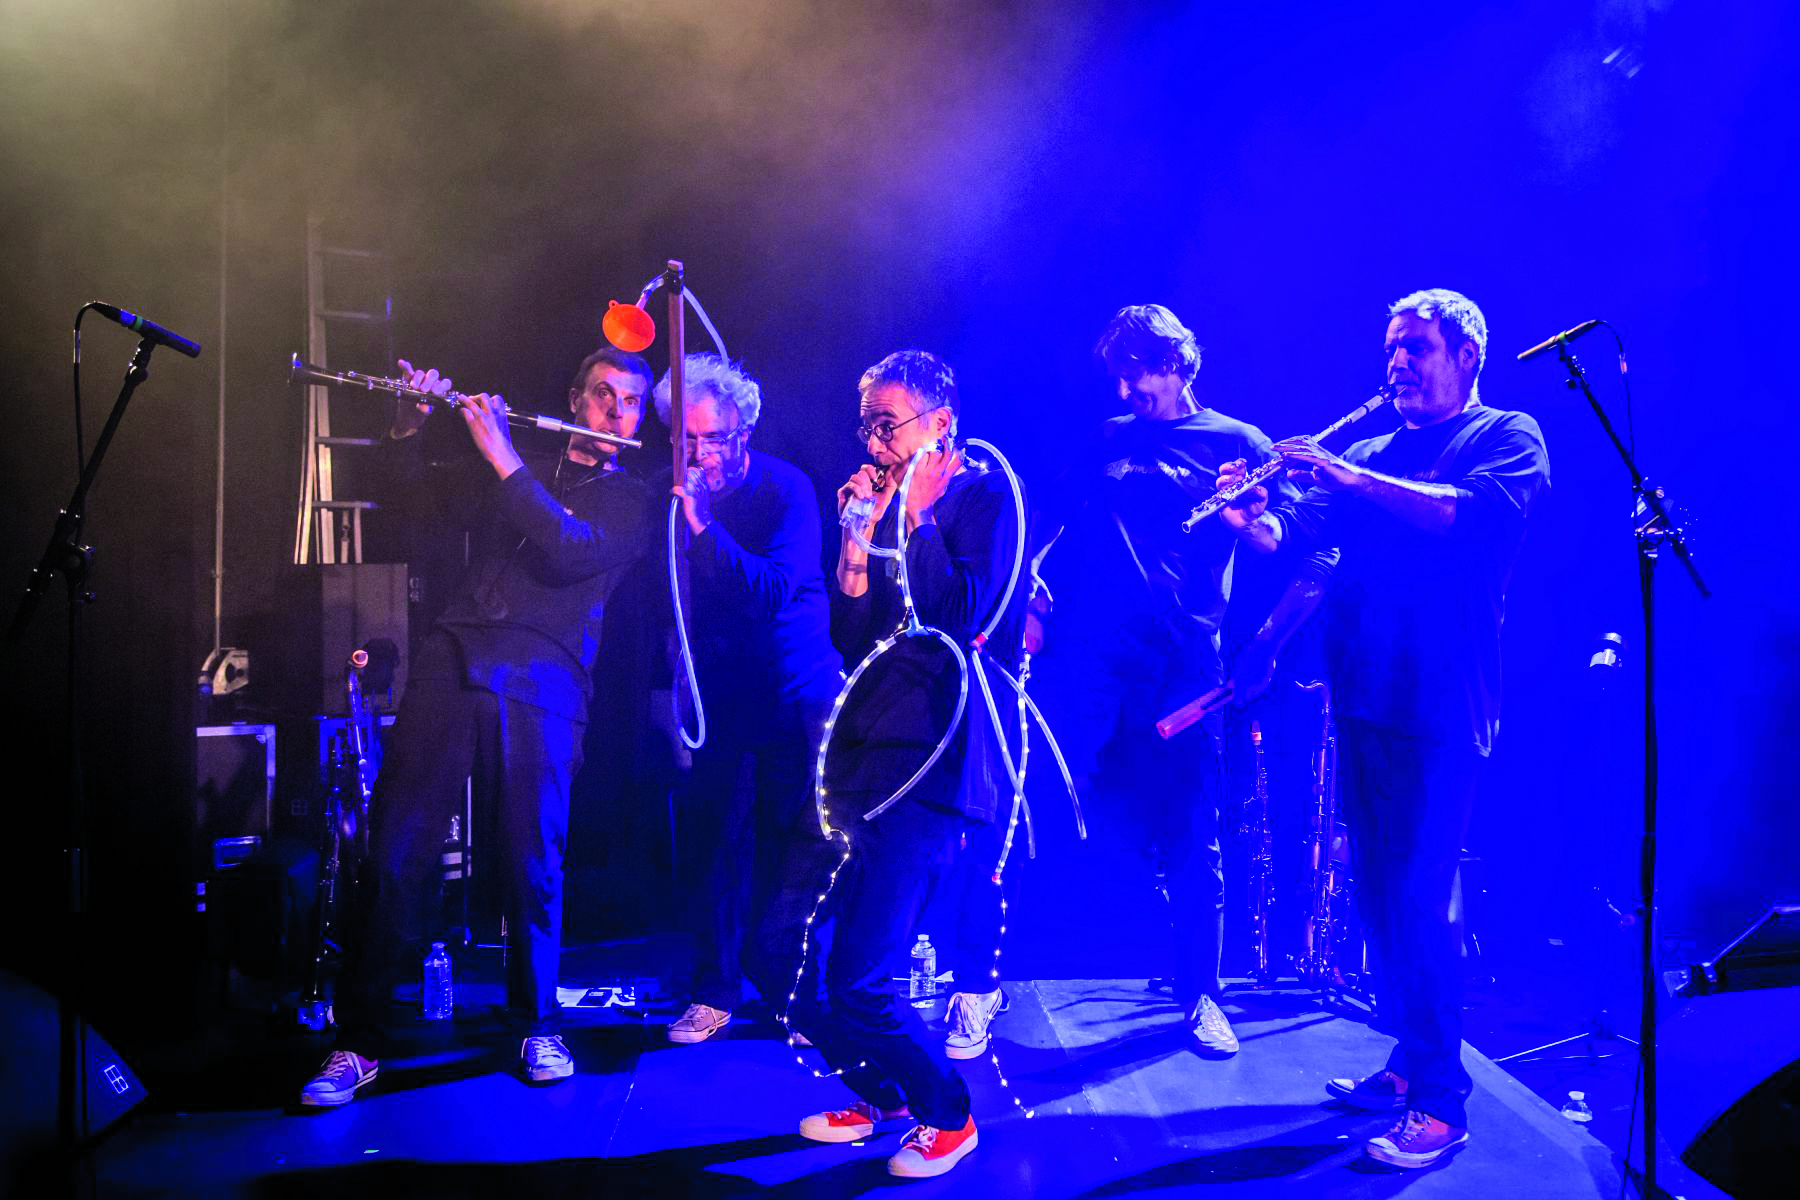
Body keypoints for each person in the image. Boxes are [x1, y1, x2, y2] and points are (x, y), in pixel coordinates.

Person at [1219, 288, 1550, 1168]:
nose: (1397, 363)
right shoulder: (1368, 451)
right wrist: (1249, 517)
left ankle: (1442, 1105)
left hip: (1443, 705)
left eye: (1416, 348)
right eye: (1392, 348)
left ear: (1466, 357)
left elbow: (1467, 518)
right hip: (1364, 697)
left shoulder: (1507, 437)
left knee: (1420, 904)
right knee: (1375, 896)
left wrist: (1346, 475)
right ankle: (1408, 1060)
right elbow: (1294, 541)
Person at [298, 347, 652, 1106]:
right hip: (453, 656)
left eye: (631, 402)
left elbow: (570, 550)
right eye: (603, 394)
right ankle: (358, 1042)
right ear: (575, 398)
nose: (617, 412)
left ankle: (537, 1024)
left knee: (532, 863)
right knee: (395, 852)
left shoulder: (633, 498)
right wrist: (407, 428)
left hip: (548, 678)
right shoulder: (515, 467)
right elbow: (409, 513)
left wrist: (501, 456)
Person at [747, 350, 1023, 1180]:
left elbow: (961, 615)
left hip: (931, 765)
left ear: (940, 423)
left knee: (862, 978)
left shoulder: (984, 496)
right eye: (864, 424)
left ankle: (948, 1114)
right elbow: (852, 633)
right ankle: (885, 1093)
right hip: (858, 758)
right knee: (773, 950)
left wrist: (922, 516)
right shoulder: (882, 506)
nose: (872, 441)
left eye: (886, 423)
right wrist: (854, 541)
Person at [1026, 303, 1310, 1059]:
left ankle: (1201, 995)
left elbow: (1279, 538)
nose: (1125, 391)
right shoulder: (1109, 438)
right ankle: (1001, 975)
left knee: (1192, 825)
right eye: (1117, 377)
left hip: (1186, 658)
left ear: (1177, 363)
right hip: (1096, 654)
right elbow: (1049, 517)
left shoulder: (1237, 442)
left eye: (1136, 374)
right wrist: (1030, 584)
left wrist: (1248, 517)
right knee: (1049, 795)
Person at [652, 354, 843, 1046]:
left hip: (797, 695)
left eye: (715, 437)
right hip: (722, 700)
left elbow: (768, 591)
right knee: (717, 846)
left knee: (797, 848)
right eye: (688, 439)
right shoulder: (670, 500)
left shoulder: (785, 488)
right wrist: (668, 689)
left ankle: (798, 994)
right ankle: (715, 992)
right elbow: (664, 604)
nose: (702, 453)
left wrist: (705, 525)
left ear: (744, 432)